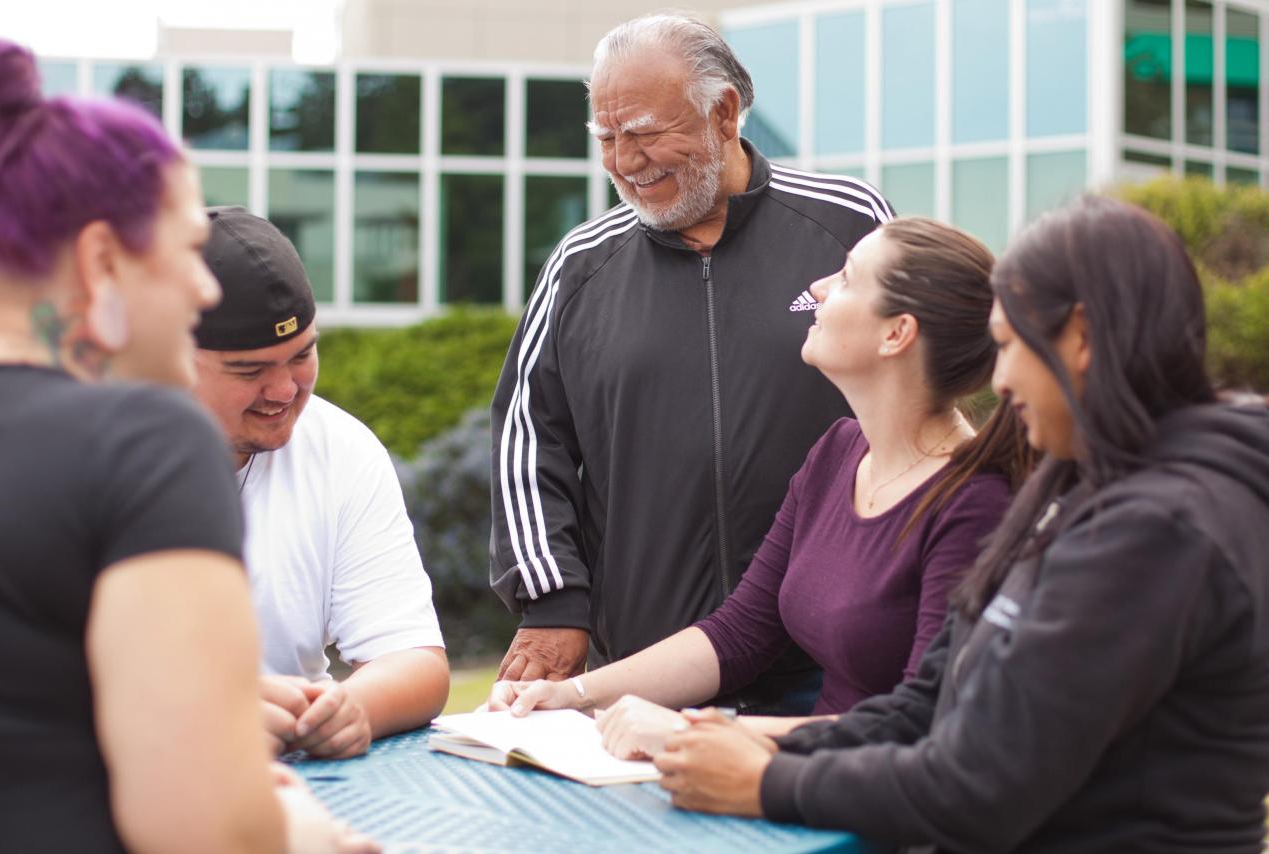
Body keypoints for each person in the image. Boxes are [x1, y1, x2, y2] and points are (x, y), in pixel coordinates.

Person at [649, 197, 1269, 853]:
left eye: (1009, 345)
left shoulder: (1160, 529)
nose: (997, 380)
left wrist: (767, 782)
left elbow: (981, 788)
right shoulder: (1082, 484)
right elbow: (927, 705)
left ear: (1080, 338)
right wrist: (754, 740)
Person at [0, 40, 374, 853]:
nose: (200, 289)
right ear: (100, 260)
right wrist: (296, 828)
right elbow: (203, 831)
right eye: (187, 250)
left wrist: (202, 703)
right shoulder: (151, 445)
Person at [489, 218, 1031, 757]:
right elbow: (738, 634)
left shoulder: (976, 501)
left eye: (845, 278)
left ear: (897, 333)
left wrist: (696, 733)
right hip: (805, 791)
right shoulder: (837, 453)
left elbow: (925, 719)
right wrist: (567, 694)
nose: (817, 287)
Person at [490, 13, 894, 713]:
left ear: (726, 113)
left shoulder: (851, 225)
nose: (625, 161)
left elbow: (922, 395)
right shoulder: (579, 267)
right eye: (607, 139)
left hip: (832, 662)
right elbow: (528, 440)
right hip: (646, 671)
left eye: (645, 133)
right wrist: (553, 598)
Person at [192, 207, 449, 760]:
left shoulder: (342, 449)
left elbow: (416, 661)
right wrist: (201, 720)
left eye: (303, 354)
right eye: (249, 370)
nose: (285, 391)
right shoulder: (77, 462)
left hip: (300, 786)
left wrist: (351, 709)